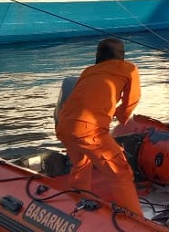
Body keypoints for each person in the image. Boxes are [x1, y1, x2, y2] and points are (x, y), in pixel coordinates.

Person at [55, 38, 142, 214]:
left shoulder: (89, 71)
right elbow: (132, 99)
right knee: (121, 174)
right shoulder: (129, 69)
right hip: (89, 129)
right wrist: (122, 117)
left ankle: (80, 206)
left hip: (64, 125)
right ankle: (134, 220)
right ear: (121, 55)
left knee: (81, 165)